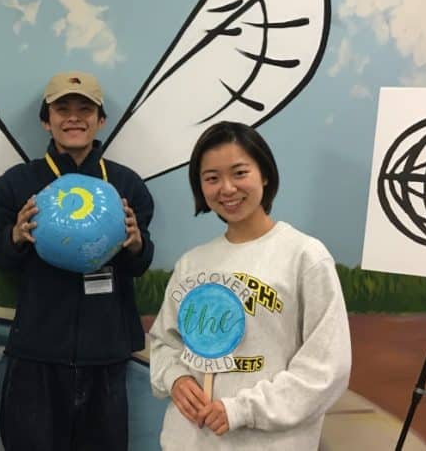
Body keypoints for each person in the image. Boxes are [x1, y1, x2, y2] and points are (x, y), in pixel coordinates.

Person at [147, 121, 351, 450]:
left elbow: (325, 368)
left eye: (239, 173)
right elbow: (164, 343)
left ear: (264, 174)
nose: (226, 188)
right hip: (190, 441)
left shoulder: (305, 256)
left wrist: (242, 410)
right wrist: (176, 378)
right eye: (212, 178)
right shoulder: (192, 264)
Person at [0, 71, 155, 451]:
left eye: (85, 109)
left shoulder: (126, 186)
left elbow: (140, 265)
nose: (73, 117)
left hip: (105, 352)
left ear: (101, 120)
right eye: (62, 109)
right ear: (47, 120)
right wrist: (15, 235)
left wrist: (136, 244)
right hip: (36, 350)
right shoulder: (16, 183)